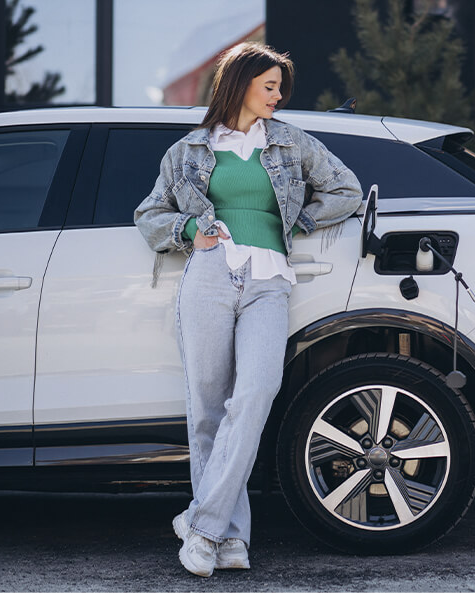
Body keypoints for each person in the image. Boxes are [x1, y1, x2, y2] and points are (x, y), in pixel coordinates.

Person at [134, 42, 363, 577]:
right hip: (211, 275)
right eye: (269, 86)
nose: (278, 96)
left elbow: (346, 190)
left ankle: (202, 524)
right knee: (208, 409)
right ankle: (232, 538)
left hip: (269, 279)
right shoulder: (188, 151)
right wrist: (191, 230)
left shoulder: (291, 142)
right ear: (238, 85)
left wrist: (299, 221)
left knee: (257, 392)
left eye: (280, 87)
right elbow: (150, 214)